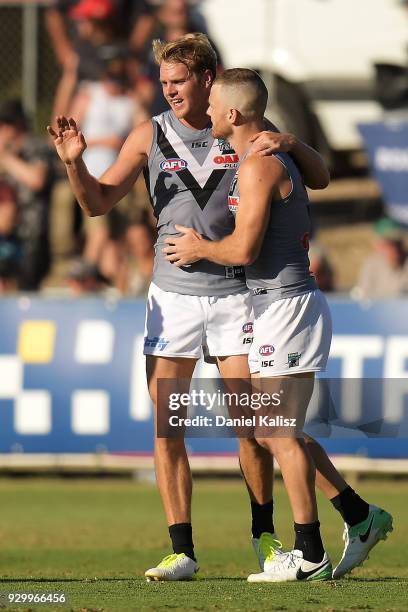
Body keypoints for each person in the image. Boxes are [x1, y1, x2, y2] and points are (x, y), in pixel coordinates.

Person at [47, 33, 335, 582]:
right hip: (173, 299)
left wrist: (293, 143)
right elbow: (96, 203)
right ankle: (182, 549)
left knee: (253, 428)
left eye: (178, 82)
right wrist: (74, 165)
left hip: (238, 296)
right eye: (163, 83)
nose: (169, 92)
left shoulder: (249, 133)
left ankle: (265, 536)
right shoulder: (148, 135)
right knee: (168, 426)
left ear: (208, 80)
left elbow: (318, 179)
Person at [163, 68, 393, 581]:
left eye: (215, 106)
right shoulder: (269, 154)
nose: (207, 113)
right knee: (275, 431)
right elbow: (322, 176)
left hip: (286, 307)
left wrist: (199, 248)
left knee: (275, 431)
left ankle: (309, 553)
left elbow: (244, 249)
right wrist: (292, 140)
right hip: (272, 308)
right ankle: (359, 516)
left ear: (232, 115)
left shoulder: (258, 166)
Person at [0, 100, 54, 290]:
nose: (5, 130)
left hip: (32, 235)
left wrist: (5, 158)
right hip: (9, 235)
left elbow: (36, 180)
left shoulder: (34, 146)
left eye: (8, 124)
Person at [355, 217, 408, 299]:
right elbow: (363, 299)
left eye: (398, 244)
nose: (394, 249)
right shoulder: (371, 264)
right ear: (378, 246)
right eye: (389, 244)